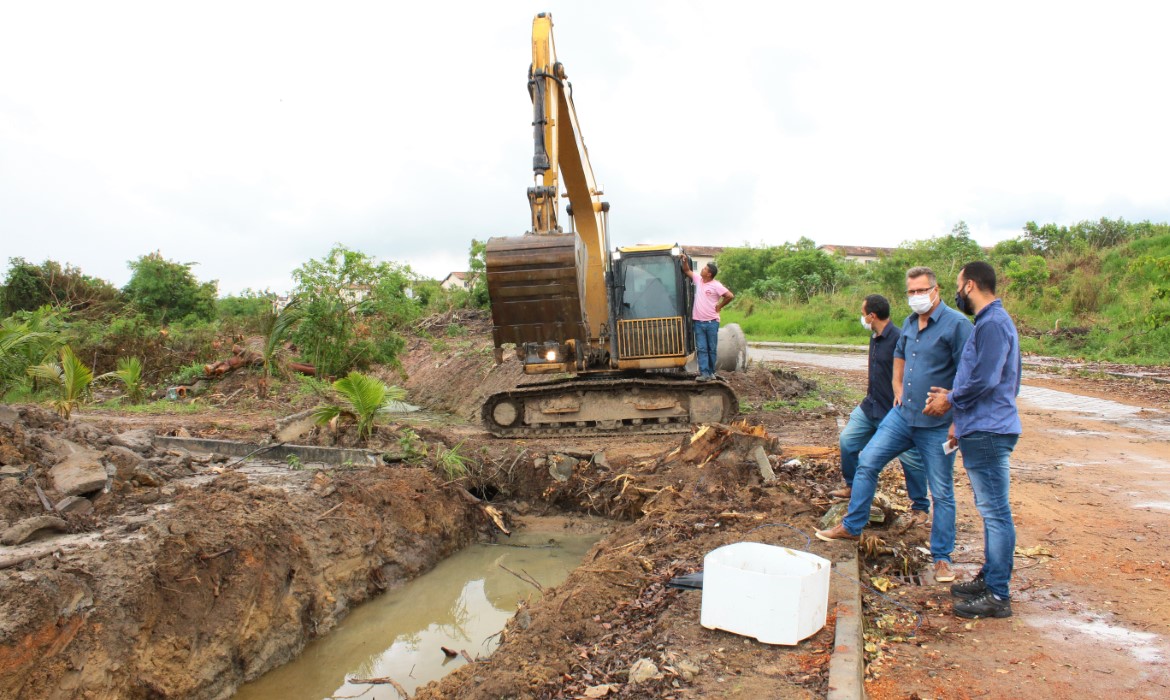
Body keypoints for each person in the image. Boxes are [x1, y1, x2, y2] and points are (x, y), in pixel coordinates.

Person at [816, 266, 972, 586]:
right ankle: (852, 527)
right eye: (911, 292)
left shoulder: (957, 325)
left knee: (942, 492)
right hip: (902, 416)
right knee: (867, 461)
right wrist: (897, 386)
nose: (916, 296)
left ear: (936, 290)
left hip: (936, 424)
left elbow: (970, 372)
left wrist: (956, 413)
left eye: (921, 290)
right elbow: (900, 355)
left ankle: (942, 558)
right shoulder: (911, 323)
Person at [924, 261, 1022, 618]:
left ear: (969, 285)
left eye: (957, 285)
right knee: (991, 510)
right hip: (982, 426)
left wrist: (951, 399)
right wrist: (958, 416)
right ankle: (990, 578)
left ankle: (997, 595)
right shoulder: (990, 322)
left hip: (988, 430)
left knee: (996, 513)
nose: (956, 292)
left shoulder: (992, 323)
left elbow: (986, 379)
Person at [833, 294, 930, 531]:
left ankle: (920, 507)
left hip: (894, 411)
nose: (862, 318)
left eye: (863, 313)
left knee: (911, 459)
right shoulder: (874, 337)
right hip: (870, 405)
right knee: (847, 441)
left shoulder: (899, 339)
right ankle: (853, 486)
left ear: (872, 316)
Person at [680, 256, 734, 381]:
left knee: (711, 349)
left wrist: (720, 306)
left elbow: (730, 296)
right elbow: (687, 270)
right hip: (698, 322)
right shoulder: (698, 280)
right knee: (702, 349)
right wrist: (684, 261)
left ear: (709, 274)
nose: (702, 269)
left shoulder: (716, 285)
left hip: (712, 322)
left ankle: (711, 372)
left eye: (704, 268)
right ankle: (704, 373)